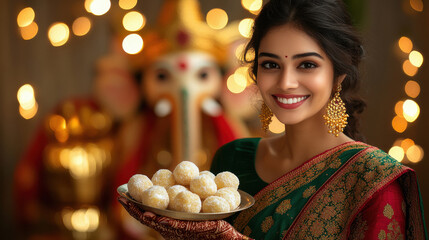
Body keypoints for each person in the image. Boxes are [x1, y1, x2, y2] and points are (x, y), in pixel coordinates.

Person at [118, 0, 427, 239]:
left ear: (338, 76)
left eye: (307, 64)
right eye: (271, 64)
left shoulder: (372, 181)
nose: (286, 82)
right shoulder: (233, 159)